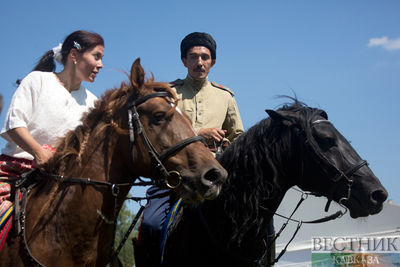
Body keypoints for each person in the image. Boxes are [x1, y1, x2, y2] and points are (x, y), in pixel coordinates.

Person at [134, 32, 244, 266]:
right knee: (151, 225)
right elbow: (159, 132)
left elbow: (239, 138)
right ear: (184, 61)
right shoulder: (168, 94)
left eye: (205, 57)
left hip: (214, 178)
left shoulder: (226, 97)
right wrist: (199, 135)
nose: (199, 62)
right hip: (174, 179)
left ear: (212, 62)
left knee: (256, 222)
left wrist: (224, 144)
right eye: (193, 57)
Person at [0, 31, 104, 246]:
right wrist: (38, 152)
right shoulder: (37, 80)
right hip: (15, 175)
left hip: (60, 182)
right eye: (96, 56)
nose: (101, 64)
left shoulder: (94, 103)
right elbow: (14, 125)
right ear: (74, 55)